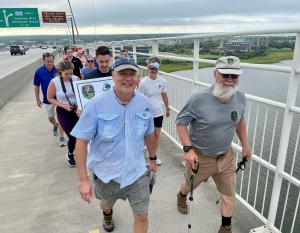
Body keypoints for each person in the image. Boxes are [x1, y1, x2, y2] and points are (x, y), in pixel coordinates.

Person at [71, 57, 157, 233]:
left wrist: (153, 160)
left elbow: (149, 134)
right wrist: (83, 180)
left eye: (132, 73)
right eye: (122, 73)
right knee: (105, 204)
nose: (127, 78)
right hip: (106, 174)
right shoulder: (96, 104)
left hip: (136, 172)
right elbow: (81, 141)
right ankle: (108, 213)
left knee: (142, 216)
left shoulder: (145, 104)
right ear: (113, 76)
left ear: (138, 77)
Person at [175, 56, 252, 233]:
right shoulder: (198, 99)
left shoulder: (240, 98)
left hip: (226, 157)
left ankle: (226, 228)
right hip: (200, 158)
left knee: (229, 197)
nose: (230, 81)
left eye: (235, 76)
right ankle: (181, 196)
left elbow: (239, 121)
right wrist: (188, 149)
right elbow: (181, 123)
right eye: (225, 75)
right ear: (215, 74)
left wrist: (245, 146)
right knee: (189, 186)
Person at [47, 60, 80, 167]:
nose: (69, 76)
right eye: (66, 74)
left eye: (71, 73)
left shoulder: (76, 78)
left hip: (76, 111)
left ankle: (81, 153)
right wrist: (64, 106)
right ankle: (70, 154)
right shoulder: (54, 82)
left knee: (81, 135)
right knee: (73, 136)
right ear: (60, 71)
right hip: (63, 112)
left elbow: (82, 93)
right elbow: (50, 98)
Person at [138, 56, 170, 165]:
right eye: (151, 68)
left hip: (158, 112)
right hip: (146, 113)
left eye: (156, 68)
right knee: (145, 134)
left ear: (158, 68)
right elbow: (139, 98)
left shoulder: (162, 80)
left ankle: (154, 156)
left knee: (156, 134)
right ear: (148, 68)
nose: (153, 70)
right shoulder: (143, 83)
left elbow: (164, 95)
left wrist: (167, 108)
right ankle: (142, 153)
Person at [33, 52, 66, 147]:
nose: (50, 63)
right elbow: (36, 86)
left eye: (51, 61)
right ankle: (54, 124)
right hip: (48, 99)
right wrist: (37, 99)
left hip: (59, 99)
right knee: (50, 118)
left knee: (60, 118)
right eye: (48, 62)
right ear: (44, 61)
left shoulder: (58, 70)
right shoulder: (39, 72)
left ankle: (61, 138)